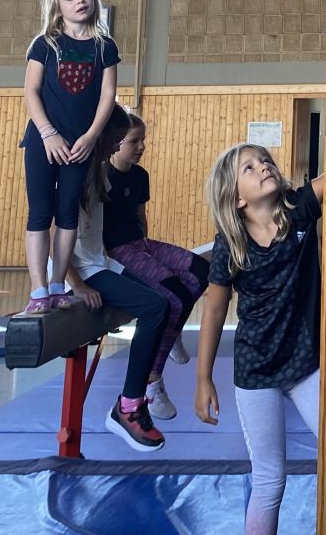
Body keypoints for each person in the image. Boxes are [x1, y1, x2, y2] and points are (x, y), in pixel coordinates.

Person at [195, 144, 323, 535]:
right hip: (256, 369)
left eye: (265, 161)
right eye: (248, 168)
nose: (263, 167)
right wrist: (203, 378)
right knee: (270, 479)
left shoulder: (297, 210)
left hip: (305, 362)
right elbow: (215, 310)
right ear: (236, 198)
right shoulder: (230, 243)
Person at [64, 103, 171, 452]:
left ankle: (143, 390)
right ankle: (129, 405)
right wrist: (76, 284)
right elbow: (51, 232)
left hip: (101, 261)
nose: (118, 147)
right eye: (117, 140)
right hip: (82, 269)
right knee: (154, 307)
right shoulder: (76, 173)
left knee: (166, 297)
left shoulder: (99, 171)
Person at [21, 0, 119, 314]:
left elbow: (107, 96)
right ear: (58, 6)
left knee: (67, 215)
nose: (80, 0)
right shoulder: (45, 44)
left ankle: (58, 284)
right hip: (44, 140)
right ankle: (38, 289)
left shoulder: (105, 46)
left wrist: (91, 136)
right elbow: (31, 92)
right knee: (40, 213)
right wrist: (48, 132)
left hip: (79, 145)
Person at [103, 110, 210, 420]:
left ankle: (172, 333)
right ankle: (152, 381)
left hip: (141, 243)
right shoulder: (103, 175)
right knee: (173, 295)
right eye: (134, 141)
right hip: (117, 251)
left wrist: (150, 251)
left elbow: (140, 215)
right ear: (116, 142)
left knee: (200, 272)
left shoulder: (140, 176)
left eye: (143, 141)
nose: (141, 147)